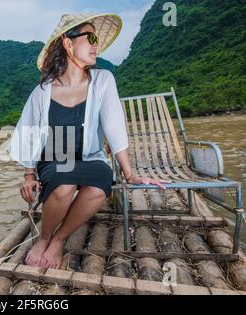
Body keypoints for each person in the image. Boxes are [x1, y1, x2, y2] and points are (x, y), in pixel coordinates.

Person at [9, 13, 172, 269]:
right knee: (64, 183)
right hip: (55, 158)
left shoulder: (103, 80)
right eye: (91, 37)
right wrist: (29, 175)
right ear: (68, 43)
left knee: (99, 185)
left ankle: (59, 239)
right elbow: (28, 132)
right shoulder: (43, 91)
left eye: (97, 38)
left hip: (91, 156)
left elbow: (113, 123)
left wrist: (129, 174)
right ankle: (45, 237)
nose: (96, 44)